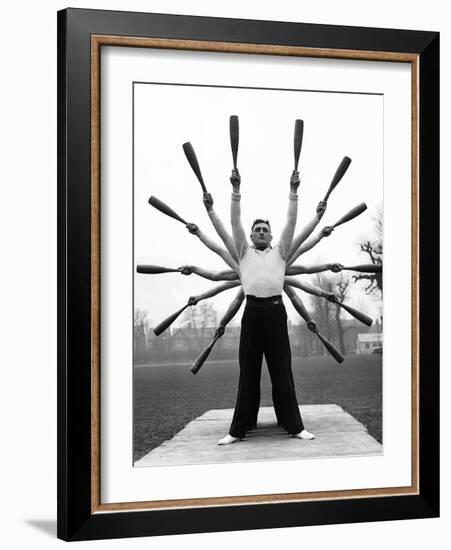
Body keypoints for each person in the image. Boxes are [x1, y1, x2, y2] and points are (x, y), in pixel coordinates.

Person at [217, 168, 315, 445]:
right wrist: (236, 190)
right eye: (257, 230)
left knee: (282, 370)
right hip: (251, 313)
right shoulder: (243, 251)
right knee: (248, 373)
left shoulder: (281, 252)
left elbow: (291, 223)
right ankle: (237, 430)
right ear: (250, 235)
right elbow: (234, 221)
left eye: (265, 230)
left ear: (271, 236)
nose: (261, 232)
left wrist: (293, 192)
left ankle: (295, 426)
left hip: (275, 313)